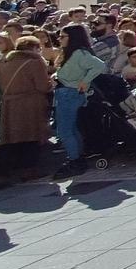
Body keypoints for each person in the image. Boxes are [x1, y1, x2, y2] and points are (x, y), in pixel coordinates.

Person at [52, 24, 107, 179]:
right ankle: (77, 156)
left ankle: (75, 159)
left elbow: (100, 65)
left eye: (63, 36)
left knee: (64, 131)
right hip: (65, 93)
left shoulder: (79, 53)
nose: (59, 39)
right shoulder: (70, 54)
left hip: (70, 94)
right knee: (71, 128)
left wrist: (85, 80)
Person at [0, 37, 52, 181]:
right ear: (34, 47)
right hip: (30, 103)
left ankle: (6, 172)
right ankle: (29, 170)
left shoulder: (4, 62)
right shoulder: (35, 62)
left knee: (13, 137)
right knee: (31, 136)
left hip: (9, 104)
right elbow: (43, 86)